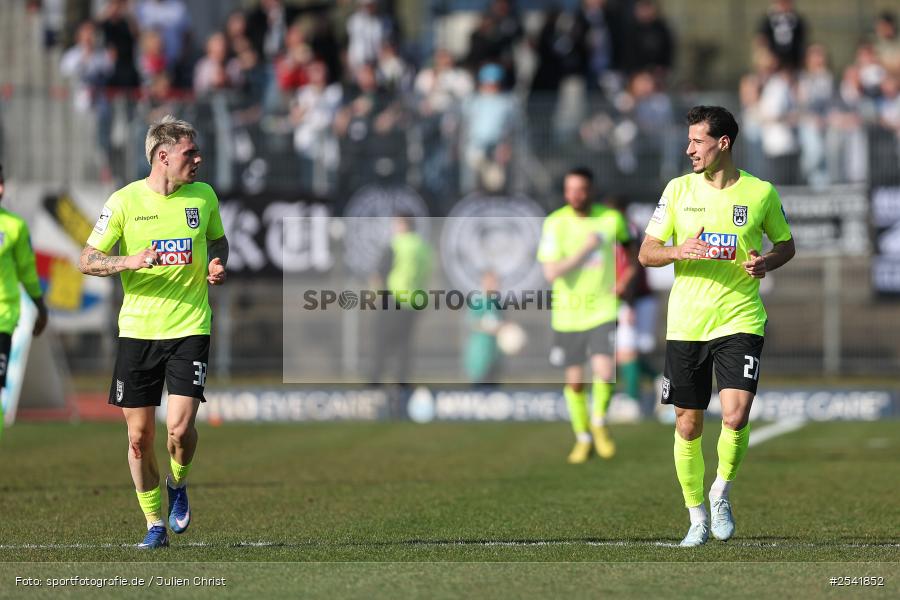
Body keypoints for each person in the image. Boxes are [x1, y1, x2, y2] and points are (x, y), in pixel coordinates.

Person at [638, 106, 795, 547]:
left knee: (736, 413)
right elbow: (647, 253)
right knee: (688, 425)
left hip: (740, 317)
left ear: (723, 143)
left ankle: (721, 492)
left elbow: (786, 244)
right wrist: (679, 249)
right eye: (688, 141)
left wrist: (766, 261)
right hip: (687, 323)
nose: (689, 149)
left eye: (698, 141)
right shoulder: (678, 190)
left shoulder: (760, 192)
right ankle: (696, 516)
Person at [79, 115, 229, 549]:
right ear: (162, 156)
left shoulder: (203, 198)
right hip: (138, 332)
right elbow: (87, 258)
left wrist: (217, 263)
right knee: (139, 438)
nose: (198, 160)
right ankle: (154, 524)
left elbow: (218, 240)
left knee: (179, 431)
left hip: (190, 326)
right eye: (189, 153)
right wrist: (127, 261)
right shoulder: (123, 202)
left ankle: (177, 483)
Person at [537, 167, 635, 463]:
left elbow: (633, 255)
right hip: (568, 313)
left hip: (602, 308)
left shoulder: (610, 219)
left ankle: (599, 422)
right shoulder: (555, 223)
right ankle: (582, 438)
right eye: (570, 190)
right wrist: (586, 249)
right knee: (576, 382)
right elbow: (552, 272)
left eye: (581, 189)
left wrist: (624, 281)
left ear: (591, 190)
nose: (575, 195)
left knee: (605, 372)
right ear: (565, 192)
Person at [0, 162, 50, 439]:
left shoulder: (13, 226)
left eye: (2, 181)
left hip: (3, 317)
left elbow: (28, 272)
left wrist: (40, 308)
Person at [369, 214, 432, 387]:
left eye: (396, 224)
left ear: (403, 225)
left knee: (382, 342)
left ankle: (375, 382)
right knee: (405, 345)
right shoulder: (422, 247)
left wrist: (374, 296)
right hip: (413, 302)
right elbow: (425, 275)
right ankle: (401, 383)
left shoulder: (397, 244)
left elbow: (380, 274)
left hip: (393, 298)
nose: (394, 228)